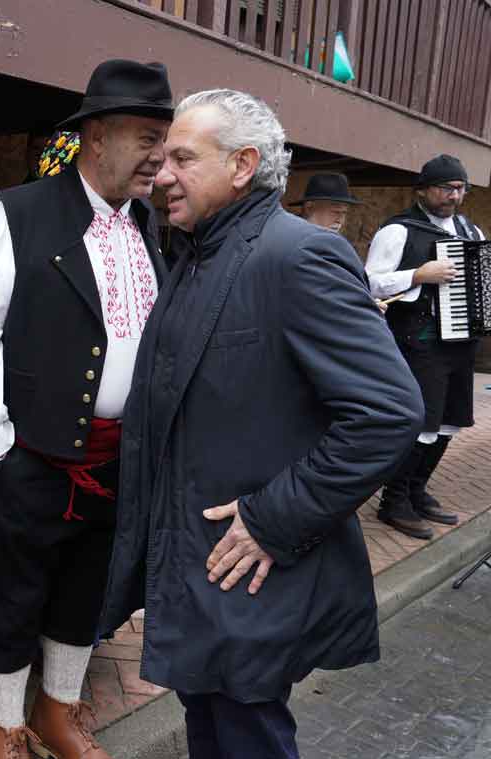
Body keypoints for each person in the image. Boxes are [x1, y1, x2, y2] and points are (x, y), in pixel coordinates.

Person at [99, 89, 423, 759]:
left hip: (249, 570)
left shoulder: (297, 256)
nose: (162, 177)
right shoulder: (196, 255)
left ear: (243, 165)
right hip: (194, 565)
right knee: (211, 727)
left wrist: (274, 518)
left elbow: (388, 412)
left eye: (183, 158)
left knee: (248, 735)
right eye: (162, 160)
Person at [0, 58, 173, 759]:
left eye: (164, 139)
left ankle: (56, 714)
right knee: (11, 597)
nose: (159, 158)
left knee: (87, 594)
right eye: (145, 137)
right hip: (32, 456)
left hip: (114, 459)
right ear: (96, 137)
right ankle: (6, 726)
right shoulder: (19, 212)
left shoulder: (150, 227)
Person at [365, 154, 483, 540]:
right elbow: (369, 283)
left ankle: (416, 490)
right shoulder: (398, 231)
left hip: (461, 341)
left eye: (459, 189)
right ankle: (393, 502)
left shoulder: (471, 230)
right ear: (423, 190)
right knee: (422, 424)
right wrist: (418, 274)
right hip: (418, 342)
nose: (453, 196)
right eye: (446, 188)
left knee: (449, 421)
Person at [290, 172, 360, 233]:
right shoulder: (289, 235)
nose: (340, 221)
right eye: (335, 212)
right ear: (309, 207)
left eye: (344, 213)